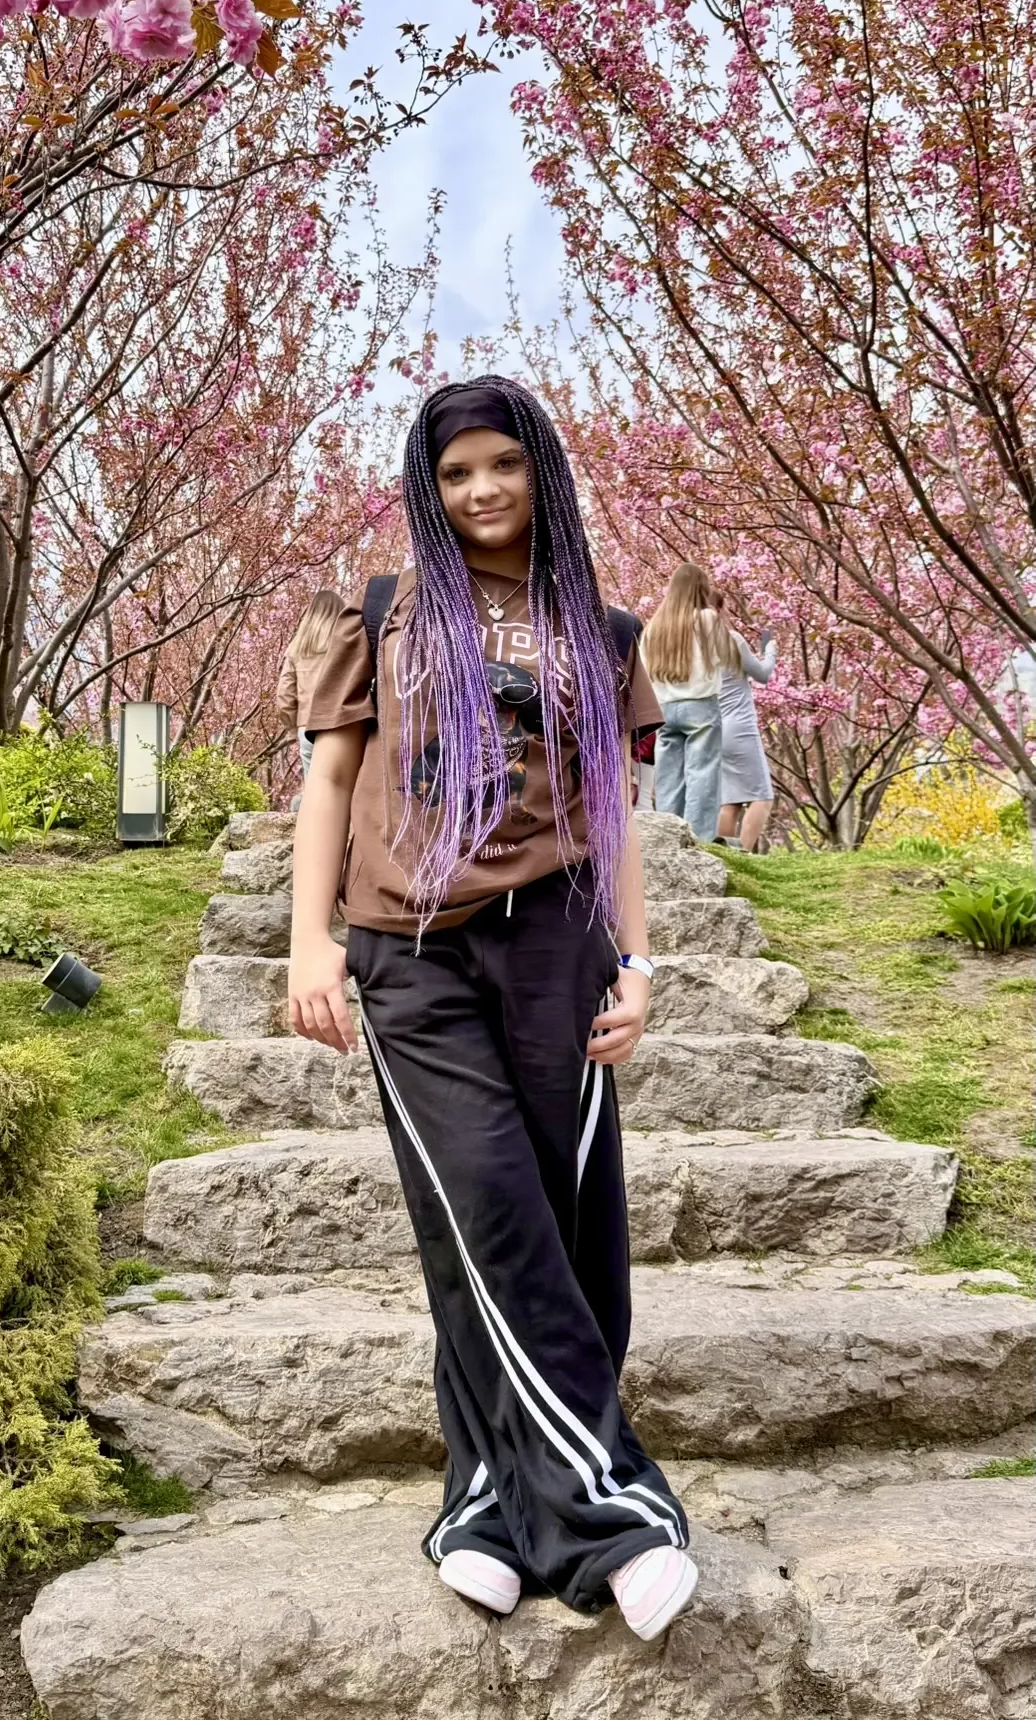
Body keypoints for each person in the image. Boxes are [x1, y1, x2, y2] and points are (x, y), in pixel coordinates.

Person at [288, 377, 696, 1641]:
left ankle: (483, 1507)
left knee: (566, 1227)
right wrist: (308, 943)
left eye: (503, 465)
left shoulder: (601, 630)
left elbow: (614, 815)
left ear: (540, 472)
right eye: (455, 472)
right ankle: (616, 1514)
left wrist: (638, 964)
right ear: (429, 487)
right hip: (411, 954)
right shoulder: (382, 615)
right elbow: (331, 778)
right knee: (490, 1212)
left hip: (558, 949)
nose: (481, 491)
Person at [639, 563, 737, 842]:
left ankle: (668, 836)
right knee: (702, 773)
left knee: (668, 776)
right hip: (700, 705)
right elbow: (725, 657)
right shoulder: (707, 619)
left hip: (665, 708)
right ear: (701, 590)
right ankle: (699, 838)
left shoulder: (655, 626)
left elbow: (644, 669)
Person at [715, 594, 778, 852]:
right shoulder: (731, 639)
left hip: (715, 727)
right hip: (740, 727)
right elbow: (762, 674)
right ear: (719, 610)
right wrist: (770, 651)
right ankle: (743, 854)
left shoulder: (698, 644)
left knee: (730, 800)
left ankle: (724, 856)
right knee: (762, 796)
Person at [276, 590, 344, 780]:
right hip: (342, 723)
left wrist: (291, 728)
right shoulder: (346, 643)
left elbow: (284, 695)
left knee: (314, 788)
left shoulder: (296, 648)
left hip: (307, 726)